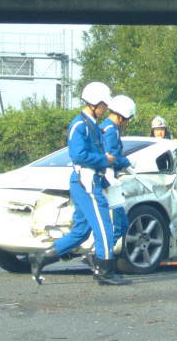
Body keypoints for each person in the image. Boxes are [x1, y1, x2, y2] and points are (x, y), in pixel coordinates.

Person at [28, 82, 131, 286]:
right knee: (104, 226)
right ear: (94, 103)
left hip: (91, 179)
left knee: (81, 231)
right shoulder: (80, 124)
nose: (105, 109)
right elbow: (79, 155)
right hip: (85, 180)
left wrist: (102, 180)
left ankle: (41, 258)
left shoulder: (91, 124)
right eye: (104, 105)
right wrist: (106, 161)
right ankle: (105, 272)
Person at [101, 95, 135, 247]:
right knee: (119, 225)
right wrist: (127, 161)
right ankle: (99, 255)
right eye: (128, 119)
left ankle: (99, 254)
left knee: (118, 224)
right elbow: (112, 157)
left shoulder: (107, 127)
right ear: (121, 117)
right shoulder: (111, 130)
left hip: (107, 178)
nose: (127, 123)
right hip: (108, 179)